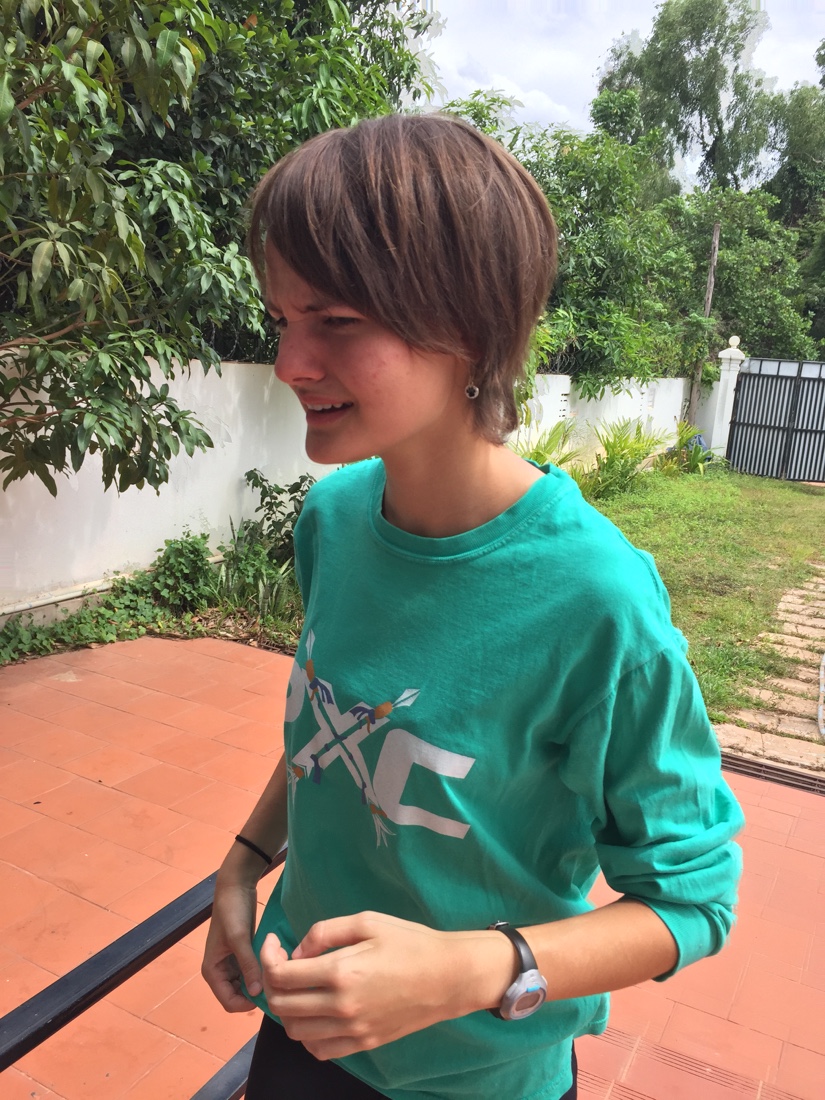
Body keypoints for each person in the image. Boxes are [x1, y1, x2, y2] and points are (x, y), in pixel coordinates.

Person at [201, 113, 743, 1100]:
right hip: (301, 1035)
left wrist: (464, 970)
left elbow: (692, 902)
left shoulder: (596, 600)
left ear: (471, 328)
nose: (289, 363)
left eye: (336, 320)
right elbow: (341, 728)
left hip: (480, 1076)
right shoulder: (334, 518)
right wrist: (242, 863)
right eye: (282, 319)